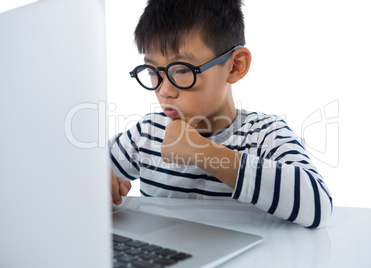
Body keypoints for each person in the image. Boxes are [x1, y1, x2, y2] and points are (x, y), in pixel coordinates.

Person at [109, 0, 332, 228]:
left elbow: (318, 206)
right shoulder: (146, 133)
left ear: (235, 66)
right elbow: (82, 169)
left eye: (183, 70)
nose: (164, 90)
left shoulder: (265, 134)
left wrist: (201, 151)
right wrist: (97, 180)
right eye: (152, 71)